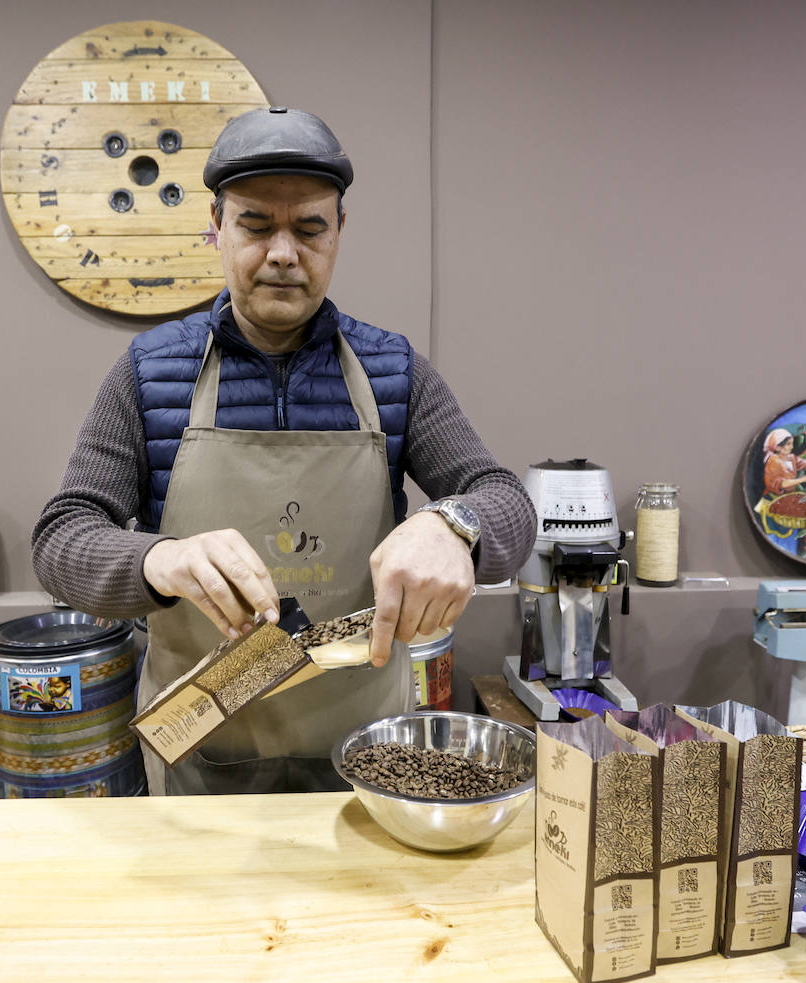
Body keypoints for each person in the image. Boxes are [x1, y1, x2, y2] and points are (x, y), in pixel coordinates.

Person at [32, 107, 536, 795]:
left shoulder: (394, 371)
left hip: (364, 766)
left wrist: (456, 525)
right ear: (215, 225)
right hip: (199, 773)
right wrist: (161, 558)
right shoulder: (151, 373)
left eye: (308, 228)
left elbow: (503, 497)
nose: (282, 252)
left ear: (339, 233)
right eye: (256, 225)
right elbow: (61, 540)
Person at [752, 426, 806, 545]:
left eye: (791, 444)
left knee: (792, 532)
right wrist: (804, 479)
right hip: (775, 502)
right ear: (777, 447)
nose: (791, 447)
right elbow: (781, 483)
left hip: (789, 502)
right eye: (788, 444)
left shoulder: (791, 458)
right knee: (779, 537)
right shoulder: (773, 462)